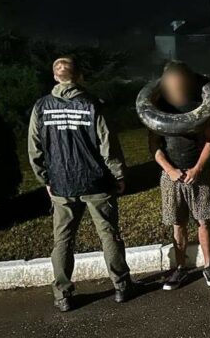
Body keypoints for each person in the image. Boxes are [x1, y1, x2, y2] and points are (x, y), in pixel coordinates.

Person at [28, 57, 132, 312]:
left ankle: (62, 295)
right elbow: (108, 145)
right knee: (108, 234)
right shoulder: (93, 104)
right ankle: (121, 286)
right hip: (96, 182)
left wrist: (45, 179)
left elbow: (34, 149)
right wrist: (118, 175)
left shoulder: (41, 107)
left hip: (61, 184)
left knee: (63, 240)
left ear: (56, 77)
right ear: (80, 76)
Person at [148, 62, 210, 290]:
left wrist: (197, 168)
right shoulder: (157, 111)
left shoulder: (200, 107)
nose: (176, 85)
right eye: (171, 81)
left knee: (203, 221)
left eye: (180, 80)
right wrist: (170, 170)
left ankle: (209, 266)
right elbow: (154, 145)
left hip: (198, 174)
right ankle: (181, 268)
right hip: (171, 177)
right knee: (178, 224)